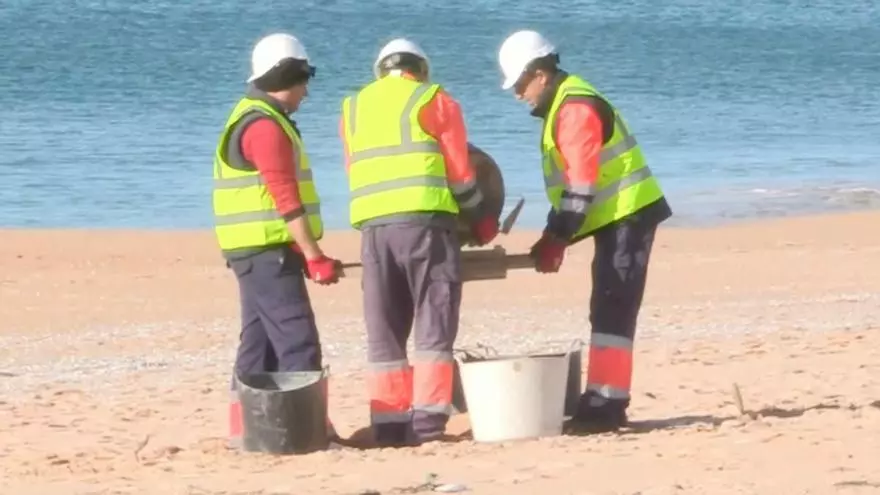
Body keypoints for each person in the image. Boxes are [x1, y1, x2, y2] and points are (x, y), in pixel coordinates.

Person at [496, 30, 674, 432]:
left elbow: (580, 189)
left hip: (628, 213)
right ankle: (602, 396)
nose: (518, 93)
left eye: (520, 84)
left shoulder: (574, 108)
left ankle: (608, 404)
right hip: (614, 216)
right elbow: (572, 194)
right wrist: (552, 235)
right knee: (607, 305)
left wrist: (556, 240)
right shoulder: (564, 103)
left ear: (540, 73)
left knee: (614, 304)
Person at [339, 38, 499, 446]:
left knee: (385, 328)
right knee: (434, 321)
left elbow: (354, 169)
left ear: (380, 71)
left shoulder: (352, 109)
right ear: (421, 69)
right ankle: (428, 422)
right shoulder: (435, 99)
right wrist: (481, 219)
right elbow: (461, 174)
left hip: (374, 230)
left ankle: (389, 424)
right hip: (426, 224)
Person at [213, 32, 342, 442]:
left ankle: (245, 431)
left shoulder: (250, 116)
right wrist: (314, 254)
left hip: (251, 250)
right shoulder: (264, 126)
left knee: (259, 344)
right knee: (297, 340)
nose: (306, 90)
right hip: (267, 252)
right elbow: (285, 198)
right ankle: (305, 433)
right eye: (304, 78)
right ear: (285, 74)